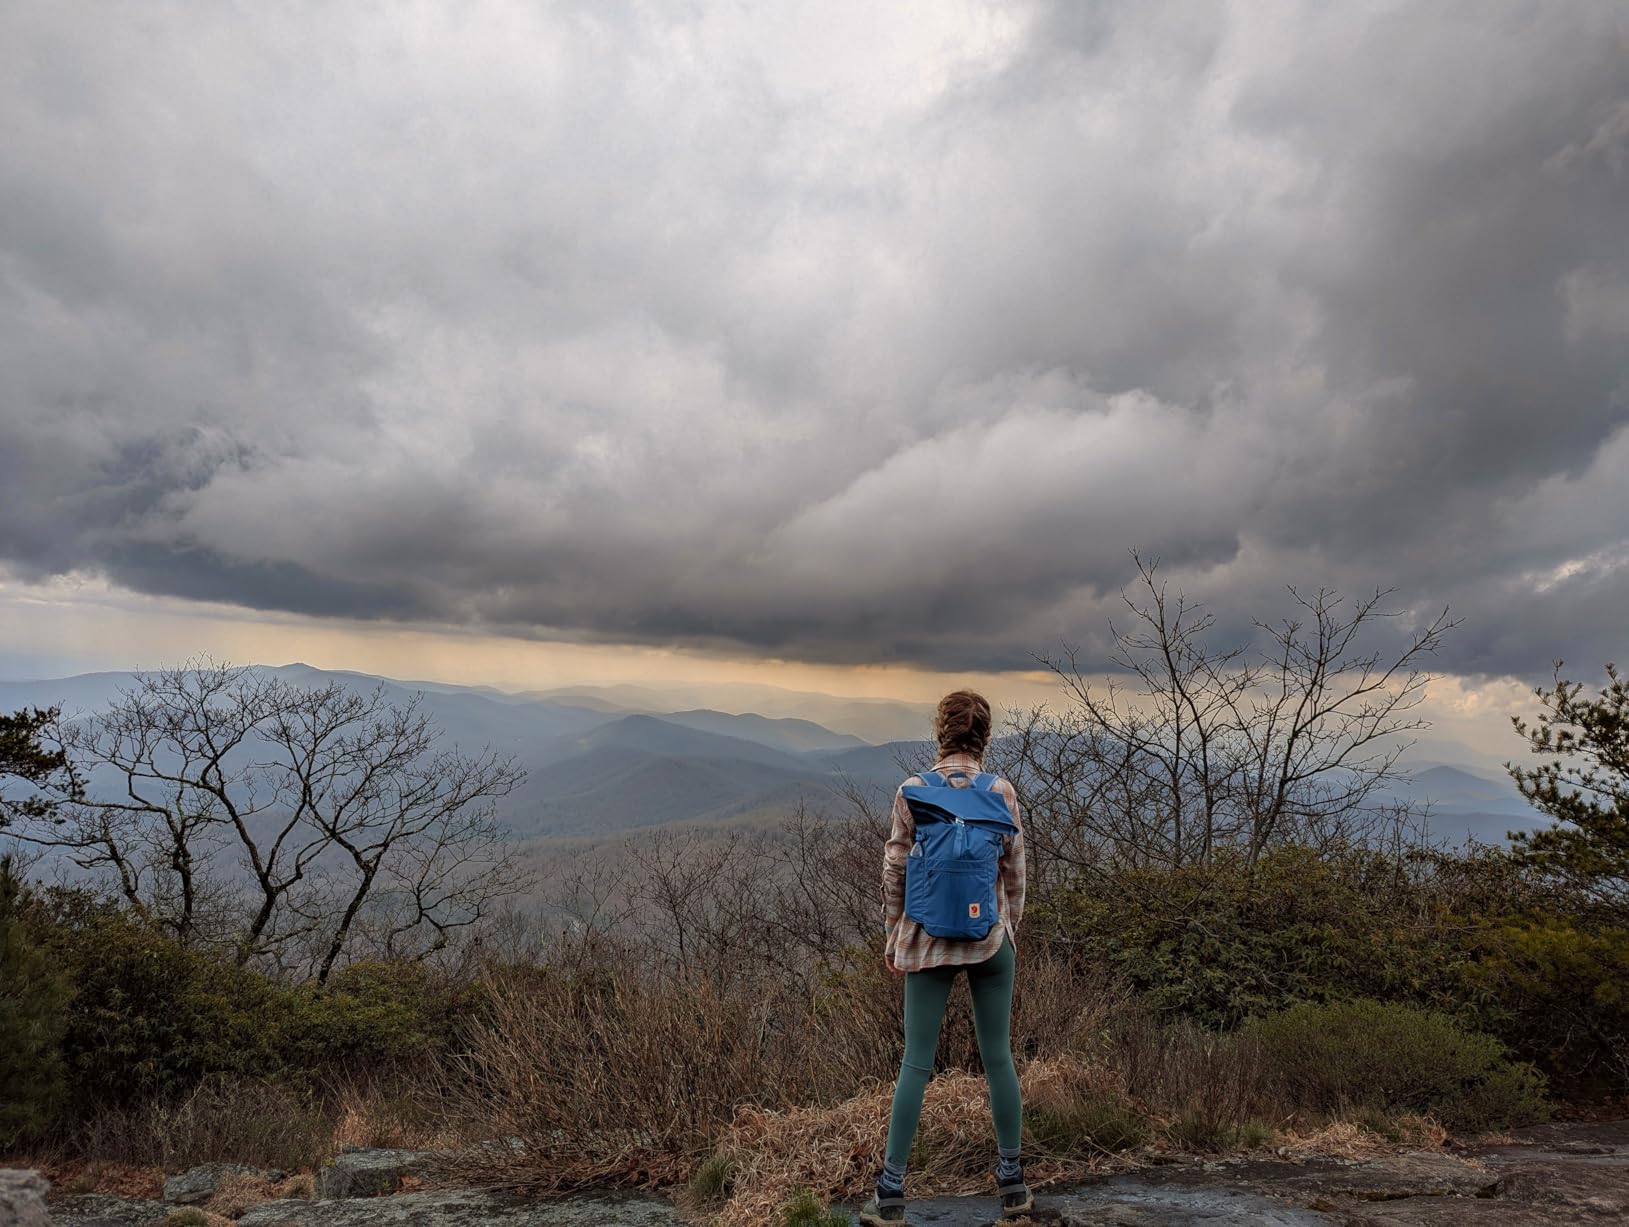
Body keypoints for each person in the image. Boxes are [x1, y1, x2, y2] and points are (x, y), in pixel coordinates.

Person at [859, 689, 1031, 1225]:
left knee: (916, 1062)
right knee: (998, 1058)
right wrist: (1005, 929)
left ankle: (890, 1194)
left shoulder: (912, 791)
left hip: (927, 942)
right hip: (988, 942)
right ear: (983, 737)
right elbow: (1015, 872)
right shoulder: (1000, 791)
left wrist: (894, 937)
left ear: (941, 733)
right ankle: (1013, 1186)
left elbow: (895, 870)